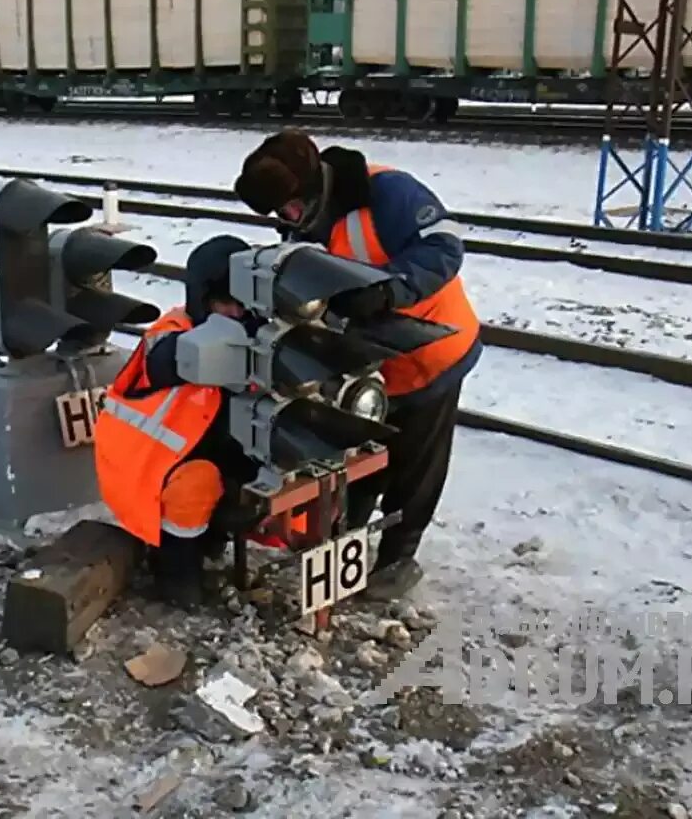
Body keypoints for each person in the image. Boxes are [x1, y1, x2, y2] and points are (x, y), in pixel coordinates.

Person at [233, 128, 481, 600]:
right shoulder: (302, 224)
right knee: (359, 452)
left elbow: (445, 245)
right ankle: (345, 539)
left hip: (432, 350)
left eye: (289, 209)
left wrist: (390, 289)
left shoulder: (387, 191)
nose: (286, 220)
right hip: (369, 363)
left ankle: (397, 559)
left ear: (312, 191)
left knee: (417, 465)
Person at [93, 235, 264, 608]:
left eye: (242, 305)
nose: (235, 314)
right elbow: (166, 360)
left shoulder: (249, 335)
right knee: (196, 486)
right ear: (201, 299)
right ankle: (175, 574)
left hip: (193, 453)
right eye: (224, 304)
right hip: (146, 473)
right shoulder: (169, 336)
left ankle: (208, 540)